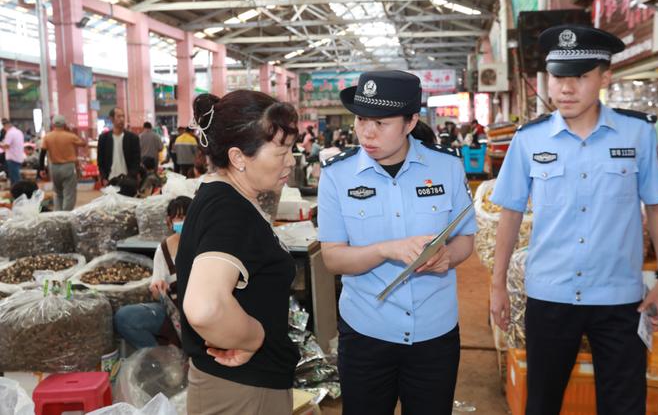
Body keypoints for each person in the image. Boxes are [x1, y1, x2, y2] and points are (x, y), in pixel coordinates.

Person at [489, 25, 658, 415]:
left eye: (580, 77)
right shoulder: (530, 140)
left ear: (605, 77)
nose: (566, 88)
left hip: (620, 299)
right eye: (558, 77)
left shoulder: (637, 133)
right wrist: (497, 285)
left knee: (624, 405)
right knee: (542, 402)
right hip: (550, 296)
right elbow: (510, 213)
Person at [317, 70, 477, 415]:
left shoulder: (447, 166)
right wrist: (385, 250)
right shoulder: (336, 176)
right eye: (361, 120)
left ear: (410, 122)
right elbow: (332, 258)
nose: (367, 132)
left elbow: (466, 238)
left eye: (381, 122)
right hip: (366, 334)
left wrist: (448, 255)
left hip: (435, 335)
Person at [177, 90, 300, 414]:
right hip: (243, 392)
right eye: (281, 151)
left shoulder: (222, 196)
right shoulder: (229, 211)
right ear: (238, 157)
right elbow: (204, 307)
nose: (291, 160)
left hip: (241, 385)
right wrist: (252, 337)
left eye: (291, 149)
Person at [115, 196, 192, 348]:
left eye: (189, 217)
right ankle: (164, 360)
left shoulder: (207, 244)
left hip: (204, 317)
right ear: (170, 222)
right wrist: (158, 288)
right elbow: (157, 293)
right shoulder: (163, 250)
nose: (185, 222)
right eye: (180, 218)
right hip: (175, 316)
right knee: (125, 317)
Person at [39, 115, 87, 211]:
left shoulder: (47, 137)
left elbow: (42, 153)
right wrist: (71, 131)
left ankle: (58, 214)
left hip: (54, 168)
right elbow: (83, 143)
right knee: (69, 193)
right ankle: (66, 215)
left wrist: (41, 168)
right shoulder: (70, 136)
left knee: (58, 193)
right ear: (64, 124)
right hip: (68, 167)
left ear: (53, 124)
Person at [97, 108, 141, 184]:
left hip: (128, 181)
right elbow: (100, 161)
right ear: (111, 118)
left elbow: (136, 160)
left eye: (123, 116)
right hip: (110, 180)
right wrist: (103, 177)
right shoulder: (103, 138)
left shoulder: (133, 138)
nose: (122, 119)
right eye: (119, 116)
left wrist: (131, 177)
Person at [1, 118, 26, 185]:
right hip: (18, 158)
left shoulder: (10, 133)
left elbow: (6, 146)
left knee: (15, 179)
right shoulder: (18, 132)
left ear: (6, 125)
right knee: (16, 177)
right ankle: (19, 192)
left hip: (12, 159)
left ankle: (17, 193)